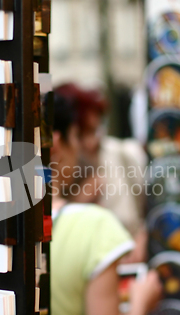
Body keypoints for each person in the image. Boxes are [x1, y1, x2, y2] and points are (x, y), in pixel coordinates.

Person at [50, 89, 163, 315]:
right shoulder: (96, 225)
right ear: (58, 143)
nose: (87, 143)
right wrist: (141, 303)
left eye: (95, 130)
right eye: (79, 134)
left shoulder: (7, 226)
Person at [53, 83, 149, 263]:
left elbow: (144, 214)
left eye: (96, 130)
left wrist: (142, 238)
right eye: (81, 134)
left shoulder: (123, 155)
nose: (92, 142)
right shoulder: (56, 176)